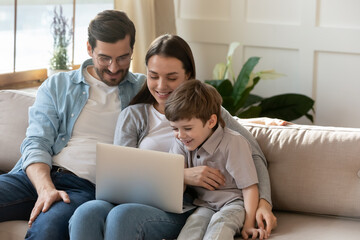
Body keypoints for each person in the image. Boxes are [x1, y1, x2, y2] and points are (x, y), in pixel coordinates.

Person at [69, 34, 276, 240]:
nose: (161, 86)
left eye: (172, 77)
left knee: (123, 216)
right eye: (153, 76)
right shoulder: (133, 116)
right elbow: (120, 174)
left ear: (188, 76)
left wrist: (264, 204)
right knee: (85, 214)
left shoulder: (209, 113)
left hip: (182, 204)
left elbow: (254, 156)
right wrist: (182, 174)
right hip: (135, 197)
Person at [0, 10, 146, 240]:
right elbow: (36, 142)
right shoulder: (58, 85)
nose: (114, 67)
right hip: (35, 177)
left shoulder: (144, 89)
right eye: (104, 58)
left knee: (47, 231)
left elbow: (196, 105)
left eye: (123, 58)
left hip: (83, 189)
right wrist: (46, 188)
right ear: (89, 49)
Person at [165, 79, 267, 240]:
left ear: (211, 121)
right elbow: (176, 181)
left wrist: (248, 224)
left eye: (188, 128)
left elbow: (249, 188)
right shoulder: (181, 142)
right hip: (205, 205)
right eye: (175, 129)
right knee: (192, 228)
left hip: (234, 204)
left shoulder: (233, 142)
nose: (180, 135)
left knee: (220, 226)